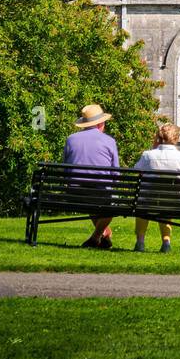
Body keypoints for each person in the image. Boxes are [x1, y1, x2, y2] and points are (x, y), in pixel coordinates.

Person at [132, 123, 180, 253]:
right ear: (176, 139)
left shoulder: (147, 156)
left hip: (148, 202)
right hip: (176, 203)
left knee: (144, 202)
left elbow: (135, 171)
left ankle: (140, 242)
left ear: (158, 137)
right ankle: (166, 242)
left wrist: (154, 148)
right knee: (165, 204)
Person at [62, 103, 120, 249]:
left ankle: (103, 236)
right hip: (101, 194)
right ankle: (96, 237)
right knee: (109, 202)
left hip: (74, 194)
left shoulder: (71, 139)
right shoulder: (109, 141)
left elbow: (65, 171)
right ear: (101, 123)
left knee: (89, 194)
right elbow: (116, 174)